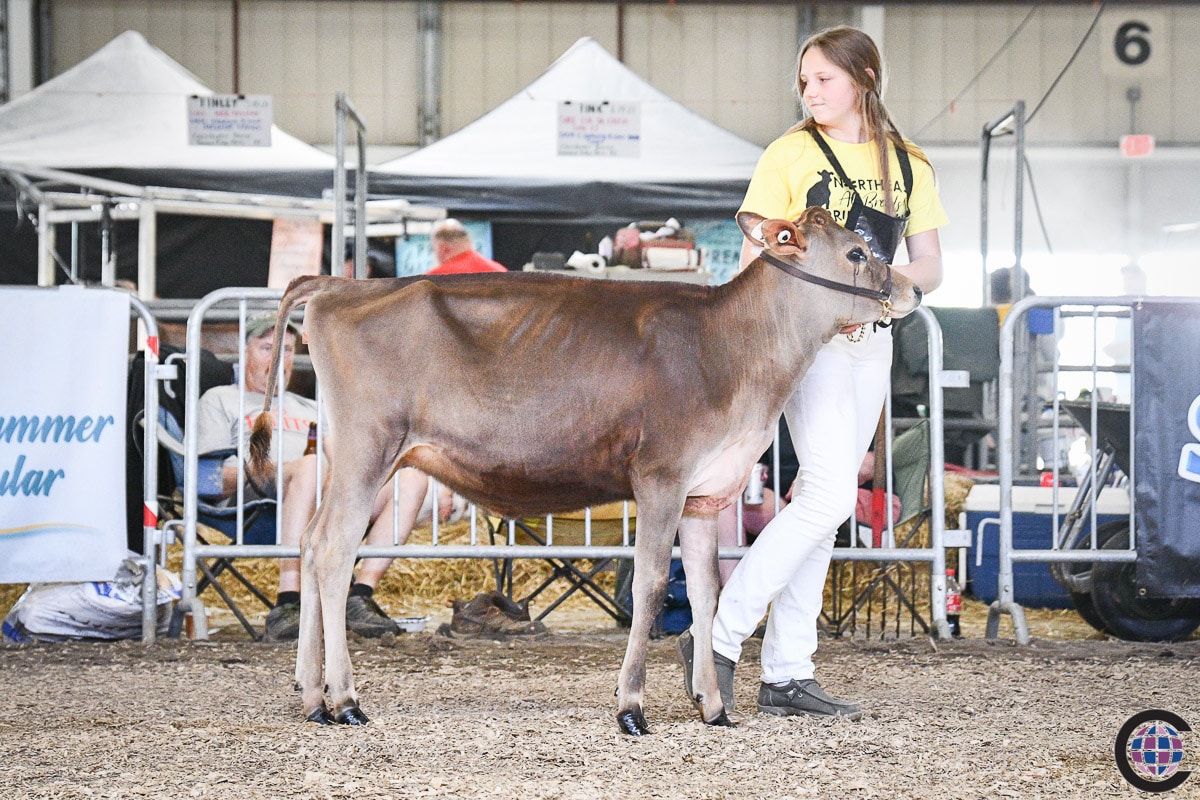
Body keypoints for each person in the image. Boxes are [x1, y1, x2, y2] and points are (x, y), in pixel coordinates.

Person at [684, 26, 947, 720]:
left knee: (820, 506)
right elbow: (761, 250)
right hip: (805, 345)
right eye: (804, 81)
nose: (810, 92)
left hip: (872, 341)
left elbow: (929, 267)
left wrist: (873, 299)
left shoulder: (909, 163)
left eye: (823, 79)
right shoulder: (790, 153)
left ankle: (788, 672)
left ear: (863, 77)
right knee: (829, 494)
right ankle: (717, 634)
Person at [196, 312, 440, 641]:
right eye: (267, 348)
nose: (278, 358)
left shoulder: (310, 407)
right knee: (310, 467)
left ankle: (359, 596)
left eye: (285, 349)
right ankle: (288, 601)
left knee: (411, 481)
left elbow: (341, 459)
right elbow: (207, 479)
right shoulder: (221, 399)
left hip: (322, 498)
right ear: (244, 353)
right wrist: (272, 471)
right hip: (257, 500)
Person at [426, 219, 508, 275]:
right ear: (469, 240)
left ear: (444, 248)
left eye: (434, 250)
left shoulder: (434, 279)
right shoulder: (500, 271)